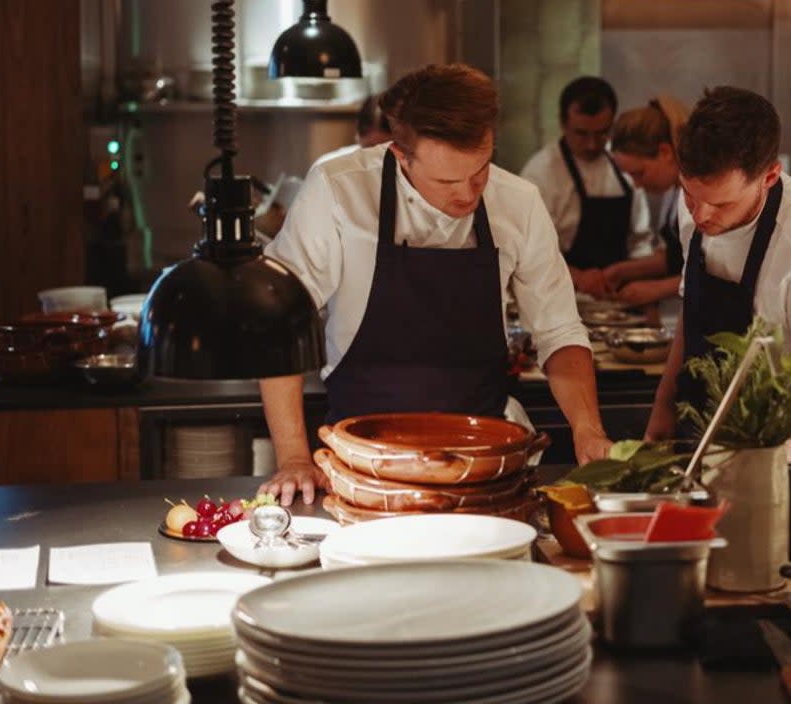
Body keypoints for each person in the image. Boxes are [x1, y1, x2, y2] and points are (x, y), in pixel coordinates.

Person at [258, 64, 612, 505]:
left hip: (482, 468)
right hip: (363, 467)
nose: (468, 193)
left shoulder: (518, 202)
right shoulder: (338, 191)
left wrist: (588, 431)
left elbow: (559, 331)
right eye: (447, 180)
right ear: (400, 154)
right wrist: (293, 456)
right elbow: (281, 322)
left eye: (480, 170)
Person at [644, 87, 791, 460]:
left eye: (721, 203)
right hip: (703, 437)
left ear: (770, 177)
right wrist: (663, 404)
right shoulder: (700, 204)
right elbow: (694, 309)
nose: (700, 215)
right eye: (689, 195)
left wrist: (776, 463)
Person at [521, 76, 653, 298]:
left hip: (621, 301)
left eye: (602, 133)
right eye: (581, 133)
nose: (592, 144)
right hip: (560, 300)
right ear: (562, 123)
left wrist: (642, 289)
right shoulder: (540, 174)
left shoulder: (625, 164)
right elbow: (531, 252)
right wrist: (578, 277)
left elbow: (640, 241)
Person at [602, 96, 690, 307]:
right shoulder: (672, 192)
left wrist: (657, 289)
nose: (637, 185)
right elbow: (675, 258)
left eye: (639, 173)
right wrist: (625, 270)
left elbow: (716, 272)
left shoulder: (700, 197)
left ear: (665, 152)